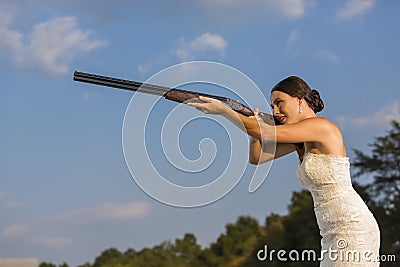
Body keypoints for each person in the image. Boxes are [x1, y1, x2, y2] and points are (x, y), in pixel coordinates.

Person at [187, 76, 380, 266]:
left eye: (279, 103)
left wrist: (225, 111)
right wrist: (254, 121)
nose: (276, 111)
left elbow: (267, 133)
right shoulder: (301, 140)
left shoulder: (321, 127)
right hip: (330, 233)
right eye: (272, 107)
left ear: (299, 100)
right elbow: (257, 157)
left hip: (353, 227)